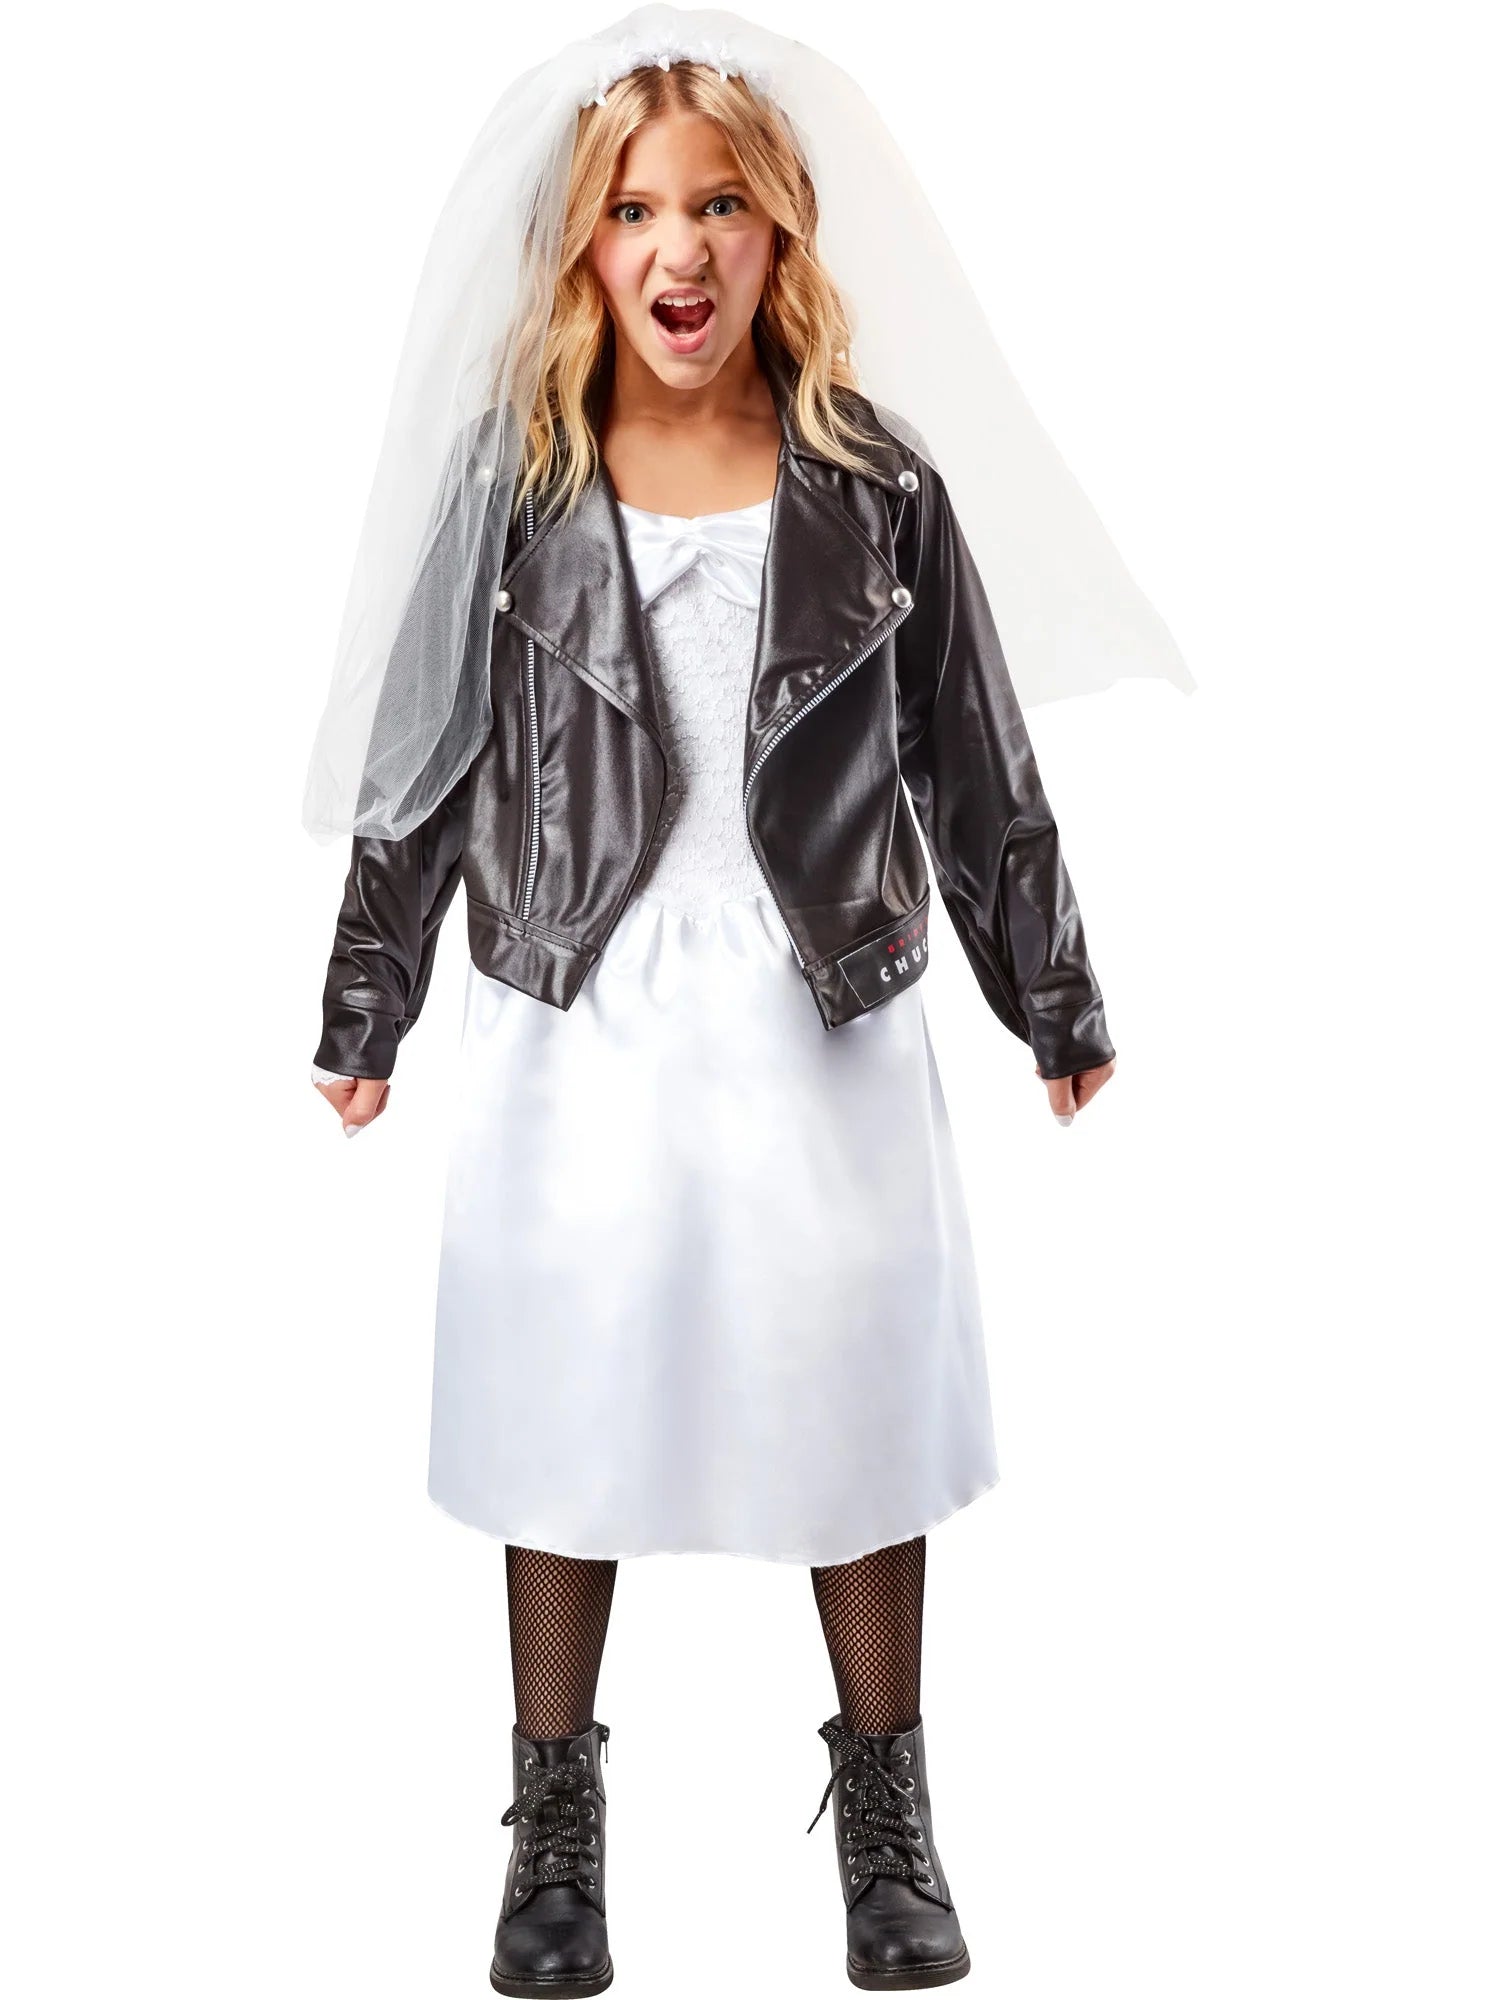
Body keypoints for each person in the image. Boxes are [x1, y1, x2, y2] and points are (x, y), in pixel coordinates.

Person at [304, 9, 1186, 1993]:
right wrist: (367, 1003)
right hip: (576, 1008)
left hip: (824, 1005)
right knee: (563, 1404)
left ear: (780, 234)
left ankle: (889, 1810)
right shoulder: (516, 483)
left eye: (719, 205)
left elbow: (978, 763)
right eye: (636, 211)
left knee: (855, 1398)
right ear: (582, 245)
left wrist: (1054, 995)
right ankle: (554, 1826)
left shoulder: (875, 487)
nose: (679, 245)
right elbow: (419, 758)